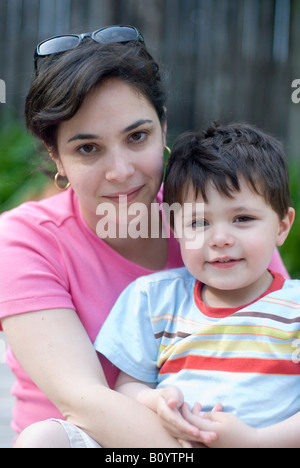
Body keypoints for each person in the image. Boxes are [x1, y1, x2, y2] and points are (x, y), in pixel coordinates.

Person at [0, 24, 288, 448]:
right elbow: (85, 402)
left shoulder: (218, 217)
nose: (121, 172)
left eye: (137, 137)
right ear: (55, 155)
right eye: (87, 148)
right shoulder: (24, 240)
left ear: (163, 127)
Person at [94, 123, 300, 448]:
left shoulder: (295, 309)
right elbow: (127, 387)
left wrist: (255, 440)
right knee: (45, 437)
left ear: (282, 226)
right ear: (174, 228)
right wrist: (156, 402)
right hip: (166, 448)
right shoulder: (154, 300)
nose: (220, 239)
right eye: (198, 223)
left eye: (242, 218)